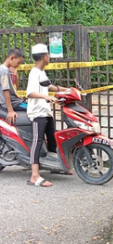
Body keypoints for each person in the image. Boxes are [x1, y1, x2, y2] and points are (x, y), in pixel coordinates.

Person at [26, 43, 68, 187]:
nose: (49, 57)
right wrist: (46, 98)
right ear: (44, 57)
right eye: (48, 55)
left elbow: (49, 87)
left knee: (52, 139)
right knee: (37, 141)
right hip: (37, 112)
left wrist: (67, 90)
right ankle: (34, 176)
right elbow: (30, 93)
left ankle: (55, 167)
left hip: (46, 111)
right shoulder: (34, 73)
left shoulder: (41, 72)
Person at [0, 48, 27, 124]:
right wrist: (10, 111)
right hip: (14, 103)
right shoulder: (4, 71)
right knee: (36, 110)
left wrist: (16, 77)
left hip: (16, 100)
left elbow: (15, 89)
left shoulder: (9, 71)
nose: (18, 65)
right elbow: (6, 90)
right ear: (12, 58)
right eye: (18, 62)